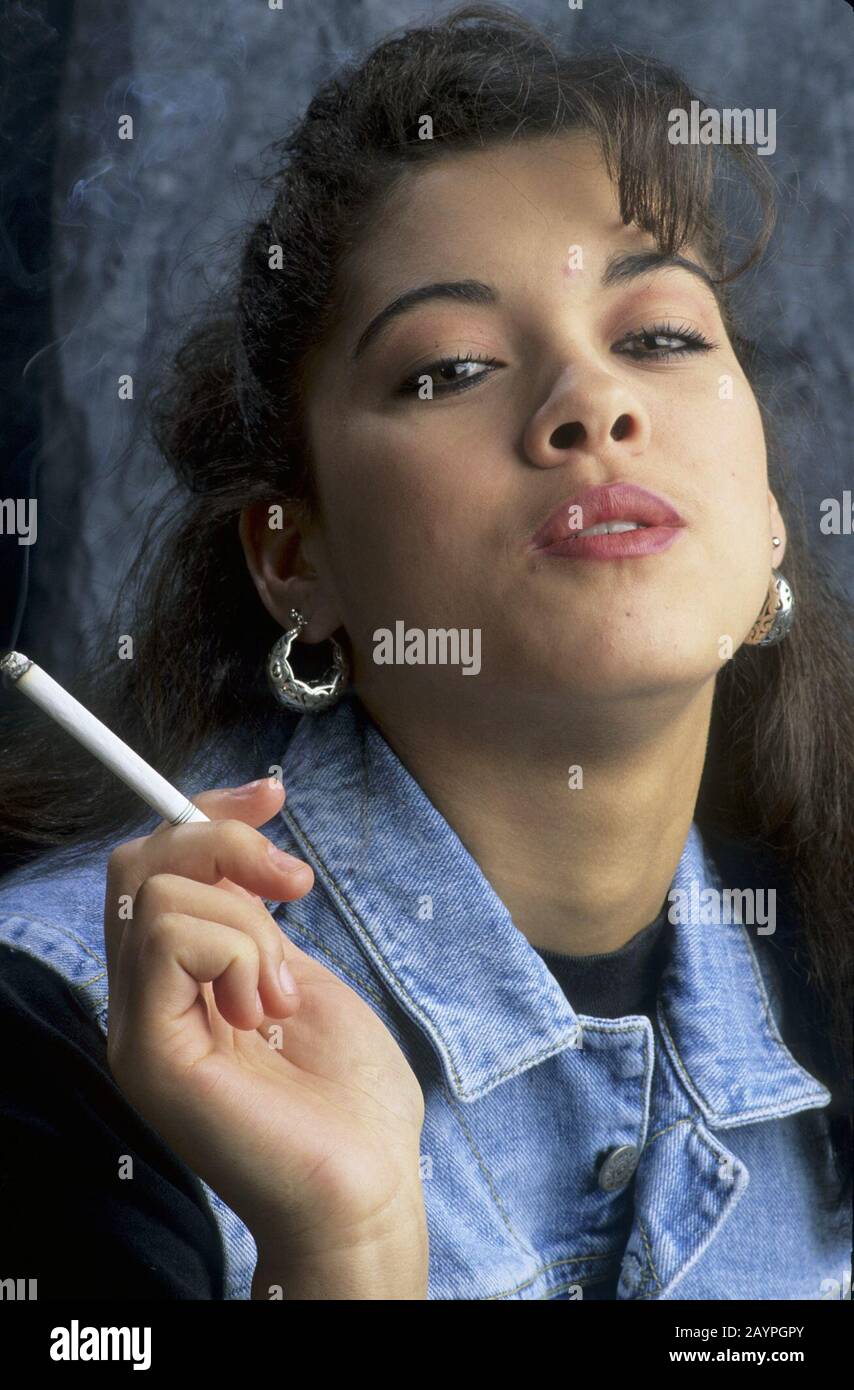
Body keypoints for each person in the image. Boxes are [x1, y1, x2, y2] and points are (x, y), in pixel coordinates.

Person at [0, 2, 850, 1301]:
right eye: (449, 368)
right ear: (296, 559)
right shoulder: (62, 1043)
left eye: (660, 336)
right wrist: (344, 1253)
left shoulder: (823, 966)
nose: (592, 405)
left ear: (771, 520)